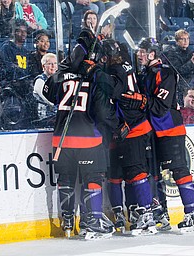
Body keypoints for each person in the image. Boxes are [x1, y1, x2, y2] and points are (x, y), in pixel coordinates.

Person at [42, 27, 127, 240]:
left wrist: (63, 70)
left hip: (61, 137)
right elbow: (103, 108)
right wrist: (118, 126)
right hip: (88, 138)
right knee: (93, 178)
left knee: (66, 179)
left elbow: (49, 93)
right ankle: (93, 221)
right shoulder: (94, 75)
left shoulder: (62, 73)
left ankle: (68, 220)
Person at [123, 37, 194, 233]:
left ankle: (192, 215)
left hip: (170, 130)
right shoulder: (143, 74)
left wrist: (140, 99)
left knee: (178, 170)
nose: (139, 54)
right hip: (152, 132)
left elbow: (159, 107)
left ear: (152, 54)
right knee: (154, 174)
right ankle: (161, 212)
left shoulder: (165, 73)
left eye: (143, 51)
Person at [102, 39, 160, 235]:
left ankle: (146, 215)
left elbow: (115, 92)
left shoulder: (114, 69)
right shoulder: (126, 62)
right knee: (136, 173)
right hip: (140, 125)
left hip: (133, 128)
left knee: (136, 173)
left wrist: (97, 75)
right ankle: (143, 212)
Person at [163, 29, 194, 105]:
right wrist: (192, 61)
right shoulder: (171, 53)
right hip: (180, 84)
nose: (186, 41)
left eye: (187, 39)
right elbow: (178, 71)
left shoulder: (191, 52)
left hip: (192, 82)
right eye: (183, 39)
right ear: (177, 41)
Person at [33, 52, 57, 127]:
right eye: (50, 64)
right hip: (45, 118)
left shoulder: (57, 79)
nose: (53, 66)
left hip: (56, 115)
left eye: (55, 63)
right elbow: (50, 101)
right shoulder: (40, 80)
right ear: (44, 66)